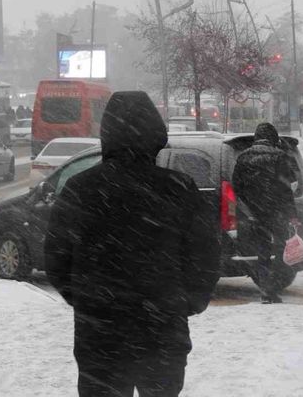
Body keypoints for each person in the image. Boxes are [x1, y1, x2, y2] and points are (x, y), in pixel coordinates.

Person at [45, 91, 220, 397]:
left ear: (106, 134)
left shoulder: (81, 189)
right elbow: (205, 256)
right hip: (162, 329)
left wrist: (87, 298)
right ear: (156, 134)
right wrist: (186, 301)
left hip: (100, 332)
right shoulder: (179, 189)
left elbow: (57, 259)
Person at [232, 122, 297, 304]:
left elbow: (236, 185)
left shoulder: (243, 157)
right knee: (280, 251)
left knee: (263, 251)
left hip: (255, 213)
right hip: (277, 212)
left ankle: (265, 289)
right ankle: (273, 287)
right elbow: (288, 187)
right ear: (272, 137)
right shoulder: (279, 156)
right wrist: (292, 213)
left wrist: (249, 205)